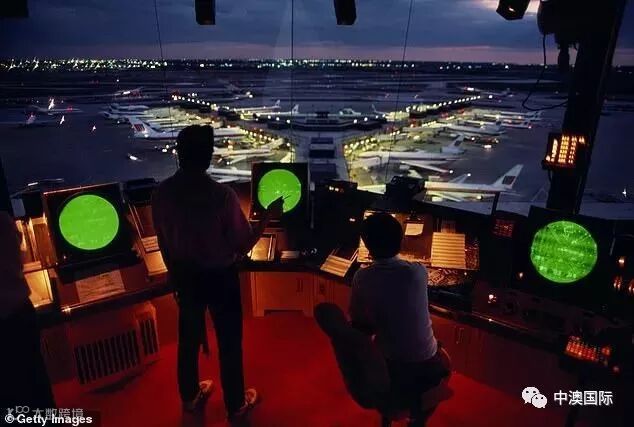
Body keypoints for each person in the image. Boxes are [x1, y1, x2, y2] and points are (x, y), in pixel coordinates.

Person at [152, 125, 283, 418]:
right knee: (229, 343)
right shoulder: (221, 195)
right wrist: (267, 218)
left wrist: (174, 275)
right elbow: (243, 244)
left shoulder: (161, 193)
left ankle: (189, 397)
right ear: (209, 156)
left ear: (179, 154)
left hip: (185, 276)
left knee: (188, 341)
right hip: (219, 279)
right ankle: (235, 405)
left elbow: (163, 241)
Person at [349, 213, 445, 427]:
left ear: (367, 245)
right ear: (401, 241)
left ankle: (388, 415)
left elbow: (359, 324)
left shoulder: (362, 278)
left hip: (390, 363)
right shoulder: (418, 272)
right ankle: (419, 419)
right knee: (442, 357)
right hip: (426, 363)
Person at [0, 211, 56, 409]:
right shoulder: (4, 220)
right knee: (35, 379)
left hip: (10, 319)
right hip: (20, 312)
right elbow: (19, 254)